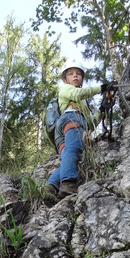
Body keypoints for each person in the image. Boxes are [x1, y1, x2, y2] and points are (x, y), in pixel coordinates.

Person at [47, 59, 113, 198]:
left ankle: (52, 185)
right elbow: (79, 94)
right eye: (71, 74)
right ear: (65, 79)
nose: (75, 76)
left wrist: (102, 109)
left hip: (64, 129)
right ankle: (67, 183)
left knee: (70, 157)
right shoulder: (66, 89)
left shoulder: (83, 102)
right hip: (70, 119)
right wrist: (102, 88)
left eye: (78, 73)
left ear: (82, 78)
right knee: (74, 150)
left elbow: (89, 124)